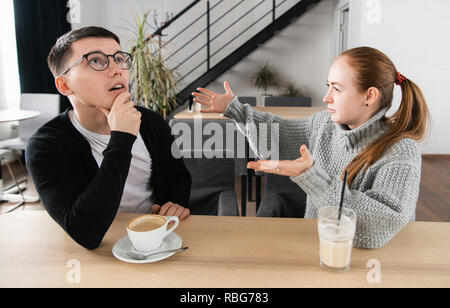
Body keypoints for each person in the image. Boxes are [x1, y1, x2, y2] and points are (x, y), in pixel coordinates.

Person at [193, 46, 429, 249]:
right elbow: (280, 132)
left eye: (337, 88)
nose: (326, 97)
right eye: (328, 86)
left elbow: (380, 223)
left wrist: (311, 177)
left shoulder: (400, 151)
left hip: (375, 265)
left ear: (369, 96)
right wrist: (237, 111)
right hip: (321, 249)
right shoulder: (323, 124)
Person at [26, 26, 191, 250]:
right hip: (99, 248)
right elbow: (85, 233)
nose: (116, 70)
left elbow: (178, 176)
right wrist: (121, 138)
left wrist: (175, 204)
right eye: (96, 61)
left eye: (119, 59)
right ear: (65, 85)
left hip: (154, 237)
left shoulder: (151, 122)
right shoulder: (45, 147)